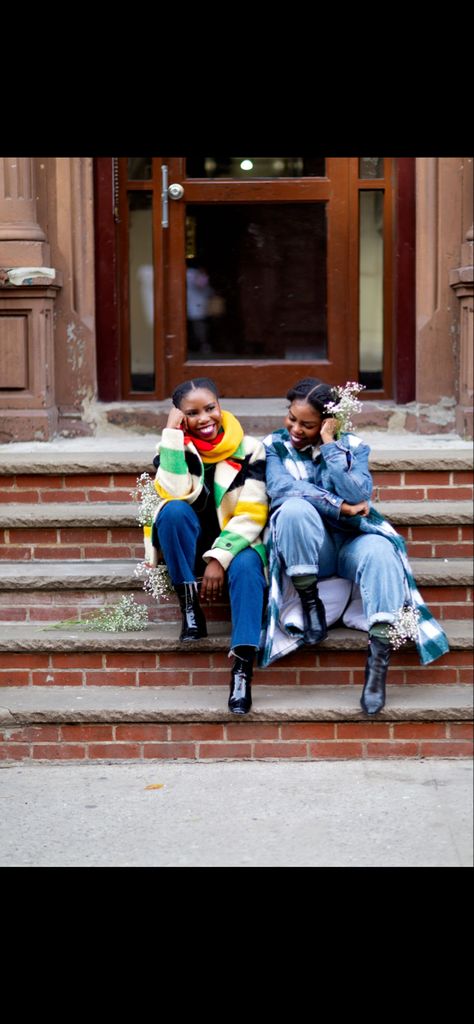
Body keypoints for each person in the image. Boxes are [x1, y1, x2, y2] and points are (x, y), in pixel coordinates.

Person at [259, 377, 449, 715]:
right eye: (292, 418)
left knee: (380, 550)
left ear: (328, 422)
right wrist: (337, 506)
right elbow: (281, 489)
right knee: (292, 510)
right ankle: (310, 605)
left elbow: (357, 493)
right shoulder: (274, 445)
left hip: (351, 543)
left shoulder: (353, 446)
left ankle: (377, 666)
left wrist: (331, 446)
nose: (296, 429)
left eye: (308, 424)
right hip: (311, 550)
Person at [145, 377, 268, 715]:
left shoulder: (251, 449)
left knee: (245, 566)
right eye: (192, 413)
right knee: (171, 512)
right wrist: (172, 437)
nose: (204, 418)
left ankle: (242, 669)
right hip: (189, 547)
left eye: (210, 408)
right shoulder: (172, 448)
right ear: (179, 416)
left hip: (238, 542)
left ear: (220, 405)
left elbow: (253, 513)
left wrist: (219, 559)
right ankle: (189, 606)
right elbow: (173, 492)